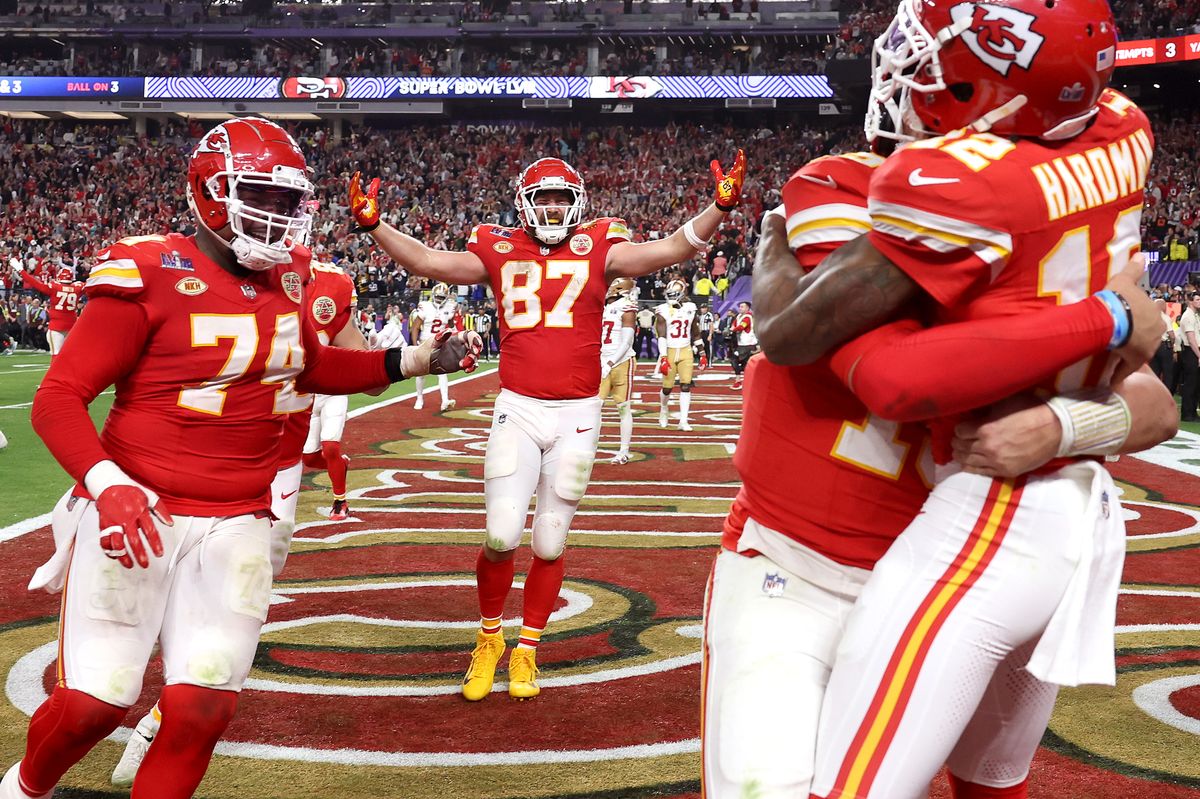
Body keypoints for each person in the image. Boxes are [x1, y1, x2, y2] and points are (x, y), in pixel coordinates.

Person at [749, 2, 1169, 796]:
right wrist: (1066, 419)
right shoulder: (1122, 123)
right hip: (1081, 514)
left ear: (997, 91)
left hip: (988, 521)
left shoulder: (939, 184)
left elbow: (879, 374)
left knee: (852, 787)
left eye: (944, 62)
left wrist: (1104, 318)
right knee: (992, 782)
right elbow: (1156, 404)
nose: (917, 72)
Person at [2, 117, 480, 799]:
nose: (276, 215)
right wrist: (107, 484)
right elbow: (58, 398)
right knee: (95, 702)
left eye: (288, 202)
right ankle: (22, 788)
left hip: (240, 515)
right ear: (210, 189)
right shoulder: (147, 268)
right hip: (141, 507)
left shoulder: (293, 279)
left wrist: (415, 359)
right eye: (261, 194)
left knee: (203, 707)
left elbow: (308, 366)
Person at [349, 149, 746, 699]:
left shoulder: (600, 245)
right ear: (526, 203)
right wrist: (373, 225)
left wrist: (719, 208)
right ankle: (489, 639)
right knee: (500, 533)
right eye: (545, 197)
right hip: (519, 406)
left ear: (578, 203)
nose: (555, 206)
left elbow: (671, 248)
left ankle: (527, 649)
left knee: (551, 542)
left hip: (578, 415)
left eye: (563, 197)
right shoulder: (498, 245)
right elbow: (425, 262)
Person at [108, 259, 368, 786]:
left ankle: (164, 714)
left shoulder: (330, 284)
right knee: (159, 595)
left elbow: (364, 370)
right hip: (194, 461)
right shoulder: (204, 271)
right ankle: (128, 710)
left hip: (279, 460)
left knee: (242, 601)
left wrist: (410, 358)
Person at [654, 278, 705, 431]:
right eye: (669, 293)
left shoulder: (690, 307)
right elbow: (661, 335)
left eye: (674, 293)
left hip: (686, 350)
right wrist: (663, 357)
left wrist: (702, 351)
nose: (671, 296)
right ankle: (664, 409)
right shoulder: (662, 310)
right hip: (669, 350)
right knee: (667, 387)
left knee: (685, 385)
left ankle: (683, 420)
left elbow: (695, 332)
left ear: (682, 294)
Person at [599, 276, 639, 464]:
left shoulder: (626, 306)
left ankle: (624, 450)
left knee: (623, 407)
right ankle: (588, 446)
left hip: (621, 361)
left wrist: (610, 362)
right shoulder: (603, 307)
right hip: (602, 360)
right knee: (594, 407)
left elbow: (626, 341)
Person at [11, 263, 83, 358]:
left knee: (56, 354)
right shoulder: (78, 287)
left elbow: (35, 283)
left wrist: (21, 270)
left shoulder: (54, 287)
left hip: (57, 325)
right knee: (69, 355)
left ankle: (56, 373)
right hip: (72, 325)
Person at [411, 281, 462, 411]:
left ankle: (445, 400)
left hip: (440, 343)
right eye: (438, 297)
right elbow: (415, 327)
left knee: (442, 372)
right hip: (425, 342)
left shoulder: (449, 307)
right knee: (421, 373)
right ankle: (419, 398)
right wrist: (414, 344)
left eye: (442, 298)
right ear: (433, 294)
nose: (439, 300)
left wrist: (455, 336)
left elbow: (451, 325)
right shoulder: (425, 306)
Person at [1179, 292, 1200, 421]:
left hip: (1195, 350)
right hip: (1191, 351)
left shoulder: (1195, 315)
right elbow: (1191, 339)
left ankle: (1192, 411)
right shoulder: (1188, 316)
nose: (1199, 301)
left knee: (1196, 383)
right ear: (1191, 301)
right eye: (1197, 299)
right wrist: (1199, 355)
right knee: (1190, 383)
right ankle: (1187, 413)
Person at [730, 300, 755, 389]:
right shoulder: (739, 316)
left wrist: (731, 330)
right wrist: (732, 329)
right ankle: (741, 380)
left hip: (747, 344)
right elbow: (733, 325)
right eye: (740, 306)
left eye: (742, 307)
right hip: (741, 344)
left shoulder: (748, 317)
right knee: (743, 363)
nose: (740, 308)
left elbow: (741, 326)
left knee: (735, 360)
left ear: (747, 308)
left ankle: (739, 380)